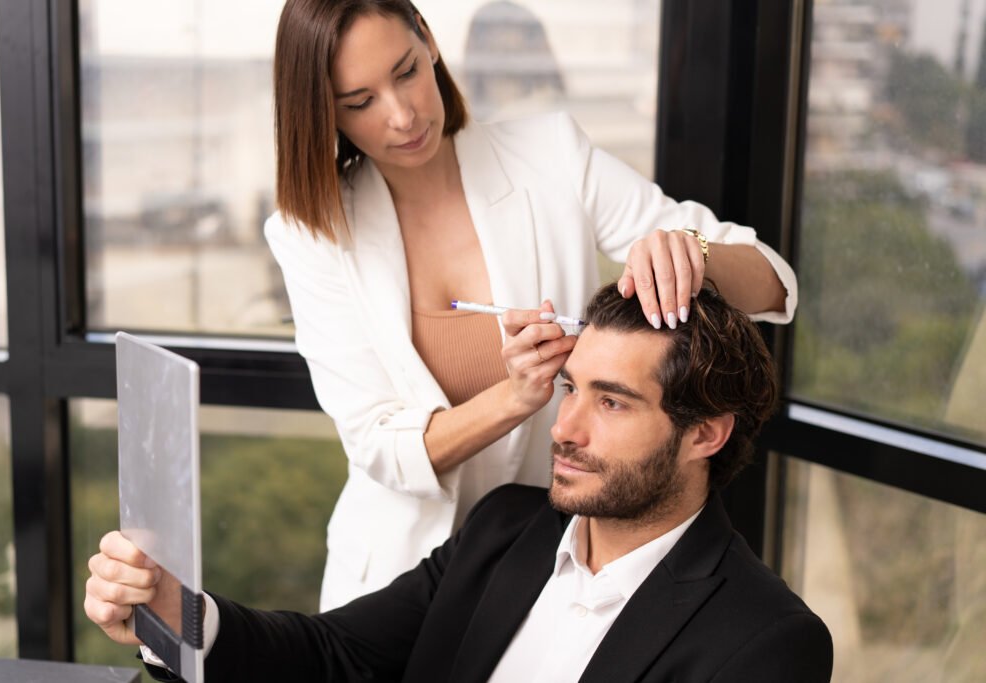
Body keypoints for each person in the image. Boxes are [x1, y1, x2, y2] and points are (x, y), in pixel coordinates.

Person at [265, 0, 798, 609]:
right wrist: (515, 397)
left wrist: (691, 251)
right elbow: (379, 447)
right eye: (360, 102)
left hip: (544, 567)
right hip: (394, 576)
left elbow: (773, 283)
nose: (402, 114)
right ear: (323, 112)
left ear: (428, 41)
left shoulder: (550, 156)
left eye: (407, 71)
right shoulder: (311, 234)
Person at [85, 284, 832, 682]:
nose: (565, 428)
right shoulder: (504, 528)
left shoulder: (767, 643)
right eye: (570, 389)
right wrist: (178, 612)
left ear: (705, 433)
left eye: (611, 402)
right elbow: (334, 653)